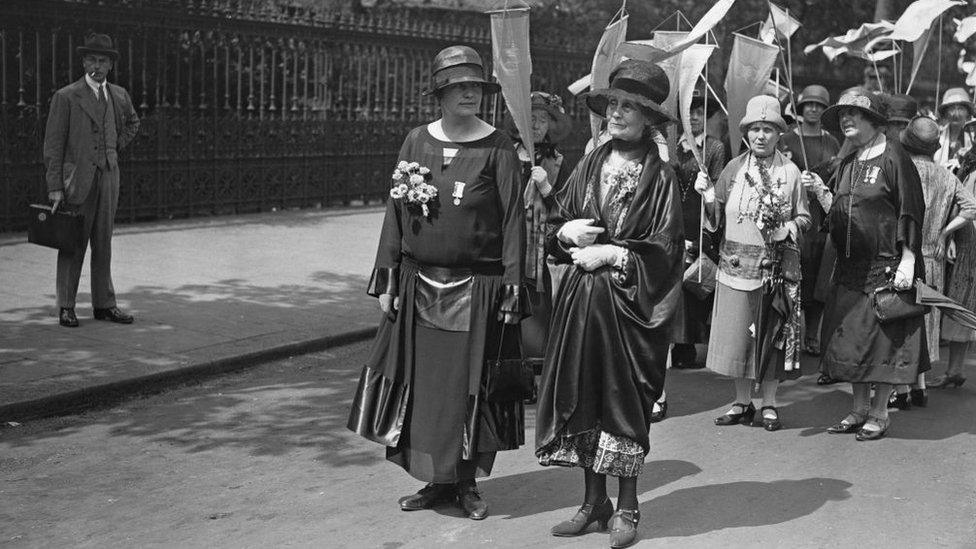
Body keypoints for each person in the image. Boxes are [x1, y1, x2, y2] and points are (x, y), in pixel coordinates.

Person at [346, 45, 527, 520]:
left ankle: (464, 484)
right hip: (418, 283)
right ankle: (435, 481)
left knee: (466, 388)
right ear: (440, 95)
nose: (469, 94)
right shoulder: (415, 142)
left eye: (475, 86)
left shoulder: (499, 146)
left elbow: (513, 223)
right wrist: (387, 280)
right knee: (426, 388)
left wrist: (511, 288)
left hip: (477, 288)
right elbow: (395, 213)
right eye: (458, 87)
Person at [535, 59, 684, 549]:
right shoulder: (591, 161)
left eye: (629, 107)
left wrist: (617, 253)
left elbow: (666, 250)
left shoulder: (661, 177)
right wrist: (564, 232)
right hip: (582, 307)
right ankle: (592, 503)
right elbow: (558, 224)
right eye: (613, 104)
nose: (617, 114)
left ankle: (628, 507)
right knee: (585, 398)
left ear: (648, 118)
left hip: (628, 311)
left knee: (623, 404)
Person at [804, 89, 929, 441]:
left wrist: (907, 259)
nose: (846, 119)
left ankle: (879, 413)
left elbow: (910, 210)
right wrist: (820, 194)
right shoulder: (849, 161)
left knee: (882, 344)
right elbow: (842, 212)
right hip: (849, 268)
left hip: (885, 266)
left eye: (854, 114)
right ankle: (858, 409)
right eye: (843, 114)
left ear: (873, 121)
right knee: (852, 343)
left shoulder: (894, 158)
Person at [697, 94, 811, 433]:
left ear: (779, 134)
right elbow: (715, 215)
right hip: (733, 267)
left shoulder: (790, 172)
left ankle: (770, 403)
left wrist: (786, 228)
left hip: (773, 271)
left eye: (768, 129)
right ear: (746, 133)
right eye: (754, 129)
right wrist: (706, 198)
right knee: (738, 338)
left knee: (770, 338)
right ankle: (741, 402)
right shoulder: (733, 168)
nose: (760, 136)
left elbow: (805, 218)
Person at [43, 33, 140, 328]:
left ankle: (105, 304)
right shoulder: (67, 96)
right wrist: (56, 187)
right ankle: (66, 306)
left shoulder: (119, 95)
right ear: (84, 62)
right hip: (78, 181)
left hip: (109, 176)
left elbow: (134, 122)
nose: (97, 66)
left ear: (110, 65)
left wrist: (115, 146)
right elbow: (53, 146)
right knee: (72, 242)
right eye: (92, 60)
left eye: (103, 60)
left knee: (103, 242)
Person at [889, 117, 976, 408]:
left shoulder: (902, 169)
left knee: (900, 319)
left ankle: (901, 386)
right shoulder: (947, 176)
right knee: (926, 321)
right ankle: (921, 385)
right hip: (933, 258)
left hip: (905, 255)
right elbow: (971, 208)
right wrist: (945, 231)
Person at [504, 91, 572, 366]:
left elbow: (567, 211)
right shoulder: (503, 153)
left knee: (534, 309)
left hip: (536, 250)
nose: (534, 124)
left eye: (541, 119)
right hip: (504, 244)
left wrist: (546, 188)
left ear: (550, 126)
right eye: (529, 118)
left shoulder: (557, 162)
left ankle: (530, 371)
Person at [778, 85, 841, 356]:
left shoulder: (832, 142)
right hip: (795, 212)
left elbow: (838, 179)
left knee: (819, 274)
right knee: (794, 268)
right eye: (809, 104)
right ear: (801, 108)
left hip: (822, 217)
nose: (813, 109)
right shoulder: (788, 139)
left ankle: (813, 333)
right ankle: (789, 330)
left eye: (818, 105)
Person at [670, 88, 726, 376]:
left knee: (692, 284)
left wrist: (708, 192)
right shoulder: (671, 144)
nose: (693, 117)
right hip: (672, 217)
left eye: (699, 112)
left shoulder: (714, 148)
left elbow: (718, 187)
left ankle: (688, 345)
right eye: (689, 111)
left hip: (698, 219)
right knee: (671, 280)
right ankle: (672, 342)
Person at [936, 138, 976, 388]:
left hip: (970, 245)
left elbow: (969, 208)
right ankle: (954, 370)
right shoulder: (969, 166)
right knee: (962, 307)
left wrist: (949, 233)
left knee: (963, 307)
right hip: (966, 243)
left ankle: (954, 370)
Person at [934, 87, 974, 173]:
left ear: (967, 112)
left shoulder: (973, 136)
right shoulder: (937, 135)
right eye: (952, 109)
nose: (956, 114)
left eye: (960, 109)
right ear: (945, 113)